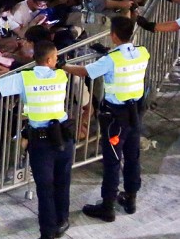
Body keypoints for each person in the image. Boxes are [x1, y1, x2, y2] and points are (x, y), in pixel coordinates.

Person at [0, 40, 72, 239]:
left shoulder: (25, 78)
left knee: (45, 189)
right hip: (64, 137)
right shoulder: (61, 76)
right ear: (49, 60)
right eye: (55, 58)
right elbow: (55, 72)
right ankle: (61, 221)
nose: (57, 61)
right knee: (63, 181)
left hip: (42, 141)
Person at [60, 15, 147, 222]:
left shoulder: (110, 60)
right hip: (135, 114)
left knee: (112, 160)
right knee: (132, 156)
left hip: (116, 118)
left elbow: (84, 72)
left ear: (113, 35)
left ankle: (107, 206)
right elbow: (125, 60)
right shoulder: (142, 52)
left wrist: (62, 66)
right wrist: (107, 52)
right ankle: (130, 198)